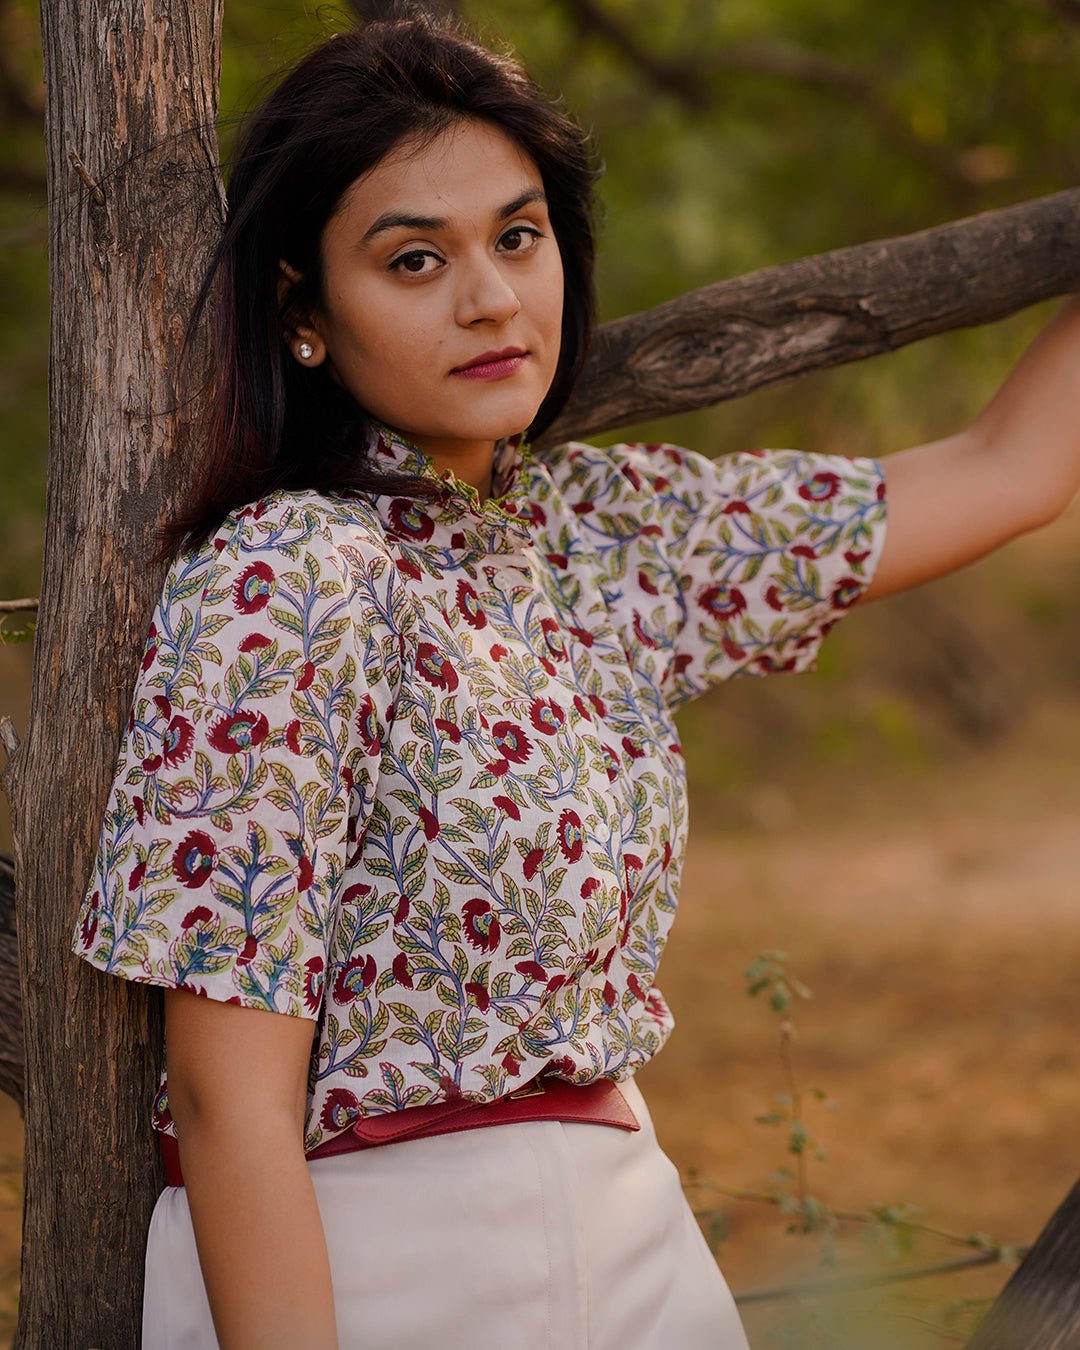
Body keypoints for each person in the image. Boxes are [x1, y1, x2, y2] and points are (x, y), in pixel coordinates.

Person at [71, 14, 1080, 1350]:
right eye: (414, 259)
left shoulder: (605, 536)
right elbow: (226, 1095)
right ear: (304, 312)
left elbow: (1009, 470)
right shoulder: (287, 576)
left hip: (639, 1251)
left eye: (518, 234)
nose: (490, 297)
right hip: (374, 1272)